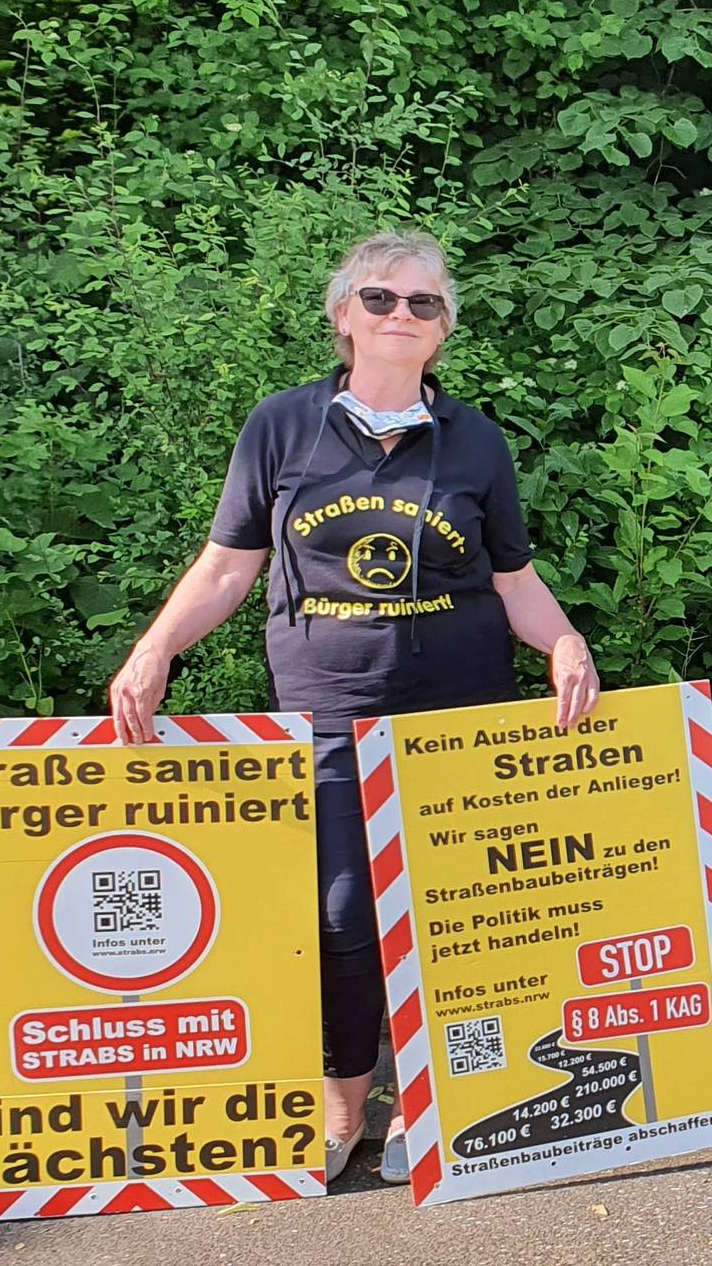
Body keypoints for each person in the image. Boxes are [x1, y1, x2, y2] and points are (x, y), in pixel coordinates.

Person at [106, 231, 601, 1181]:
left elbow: (513, 578)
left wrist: (566, 641)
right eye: (380, 298)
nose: (400, 315)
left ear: (443, 329)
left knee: (462, 910)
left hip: (458, 714)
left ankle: (436, 1100)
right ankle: (344, 1110)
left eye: (423, 303)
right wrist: (155, 646)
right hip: (328, 713)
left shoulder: (475, 439)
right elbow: (227, 567)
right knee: (341, 916)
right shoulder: (283, 426)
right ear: (344, 315)